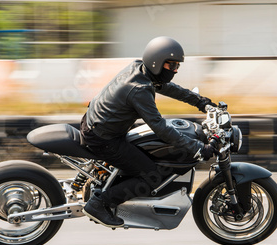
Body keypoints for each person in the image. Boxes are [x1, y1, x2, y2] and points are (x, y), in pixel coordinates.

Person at [80, 36, 217, 228]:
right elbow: (160, 127)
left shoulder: (140, 69)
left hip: (99, 124)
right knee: (151, 175)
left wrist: (198, 100)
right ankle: (99, 203)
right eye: (172, 66)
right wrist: (198, 148)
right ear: (157, 63)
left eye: (178, 66)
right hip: (103, 138)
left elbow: (167, 87)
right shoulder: (139, 90)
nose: (175, 70)